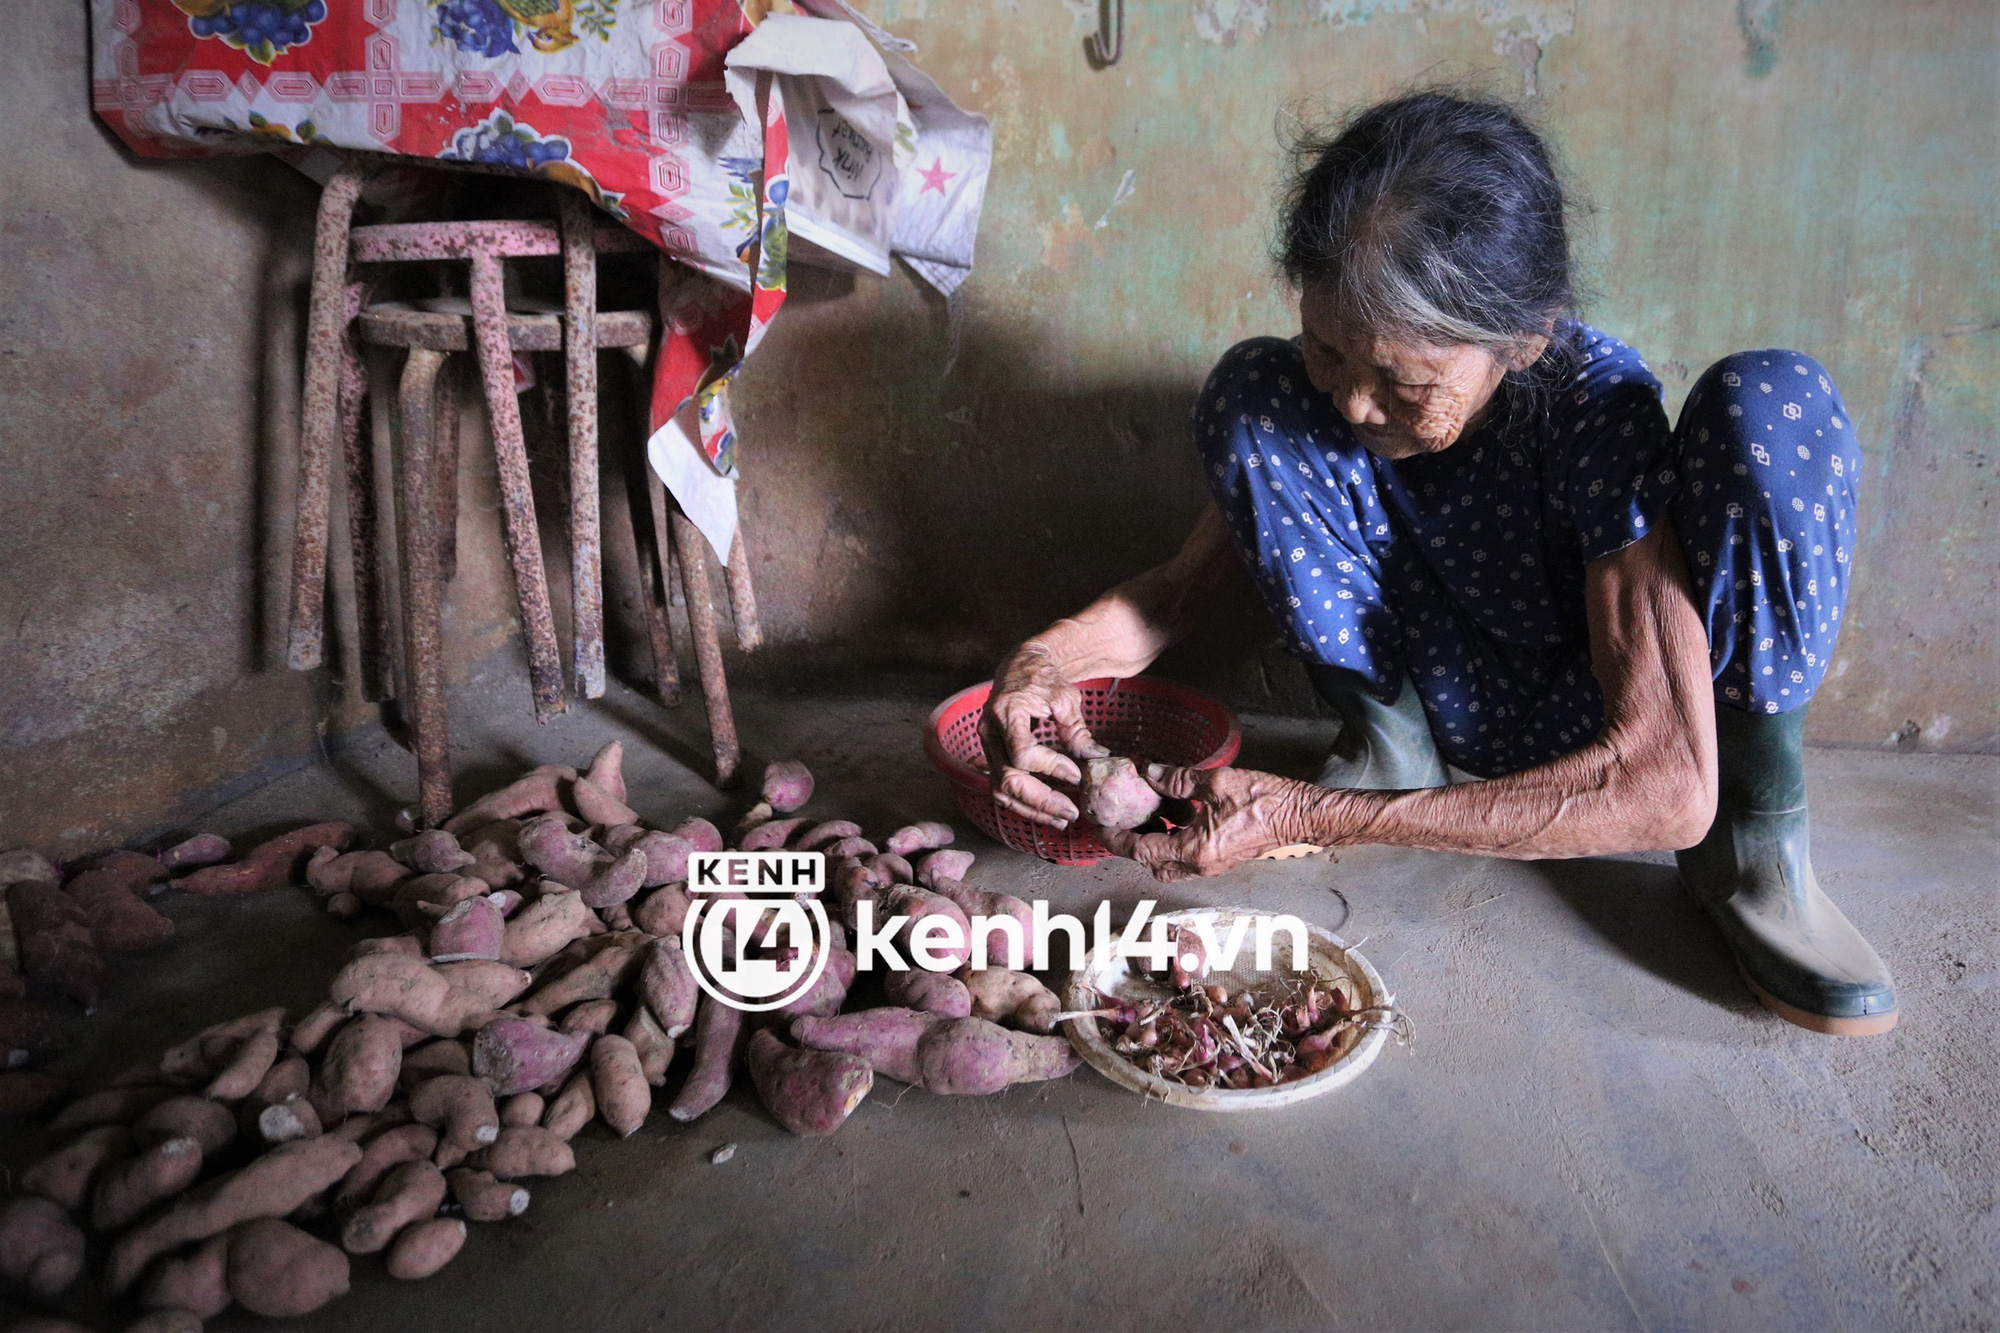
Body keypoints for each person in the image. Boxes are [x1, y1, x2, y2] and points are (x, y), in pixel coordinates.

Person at [979, 91, 1895, 1036]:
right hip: (1449, 708)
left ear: (1525, 337)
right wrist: (1041, 665)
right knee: (1251, 385)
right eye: (1330, 352)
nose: (1356, 408)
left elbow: (1666, 789)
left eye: (1404, 383)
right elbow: (1177, 591)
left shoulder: (1592, 410)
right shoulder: (1305, 406)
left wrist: (1309, 814)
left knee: (1773, 402)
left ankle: (1756, 845)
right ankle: (1388, 751)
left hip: (1618, 738)